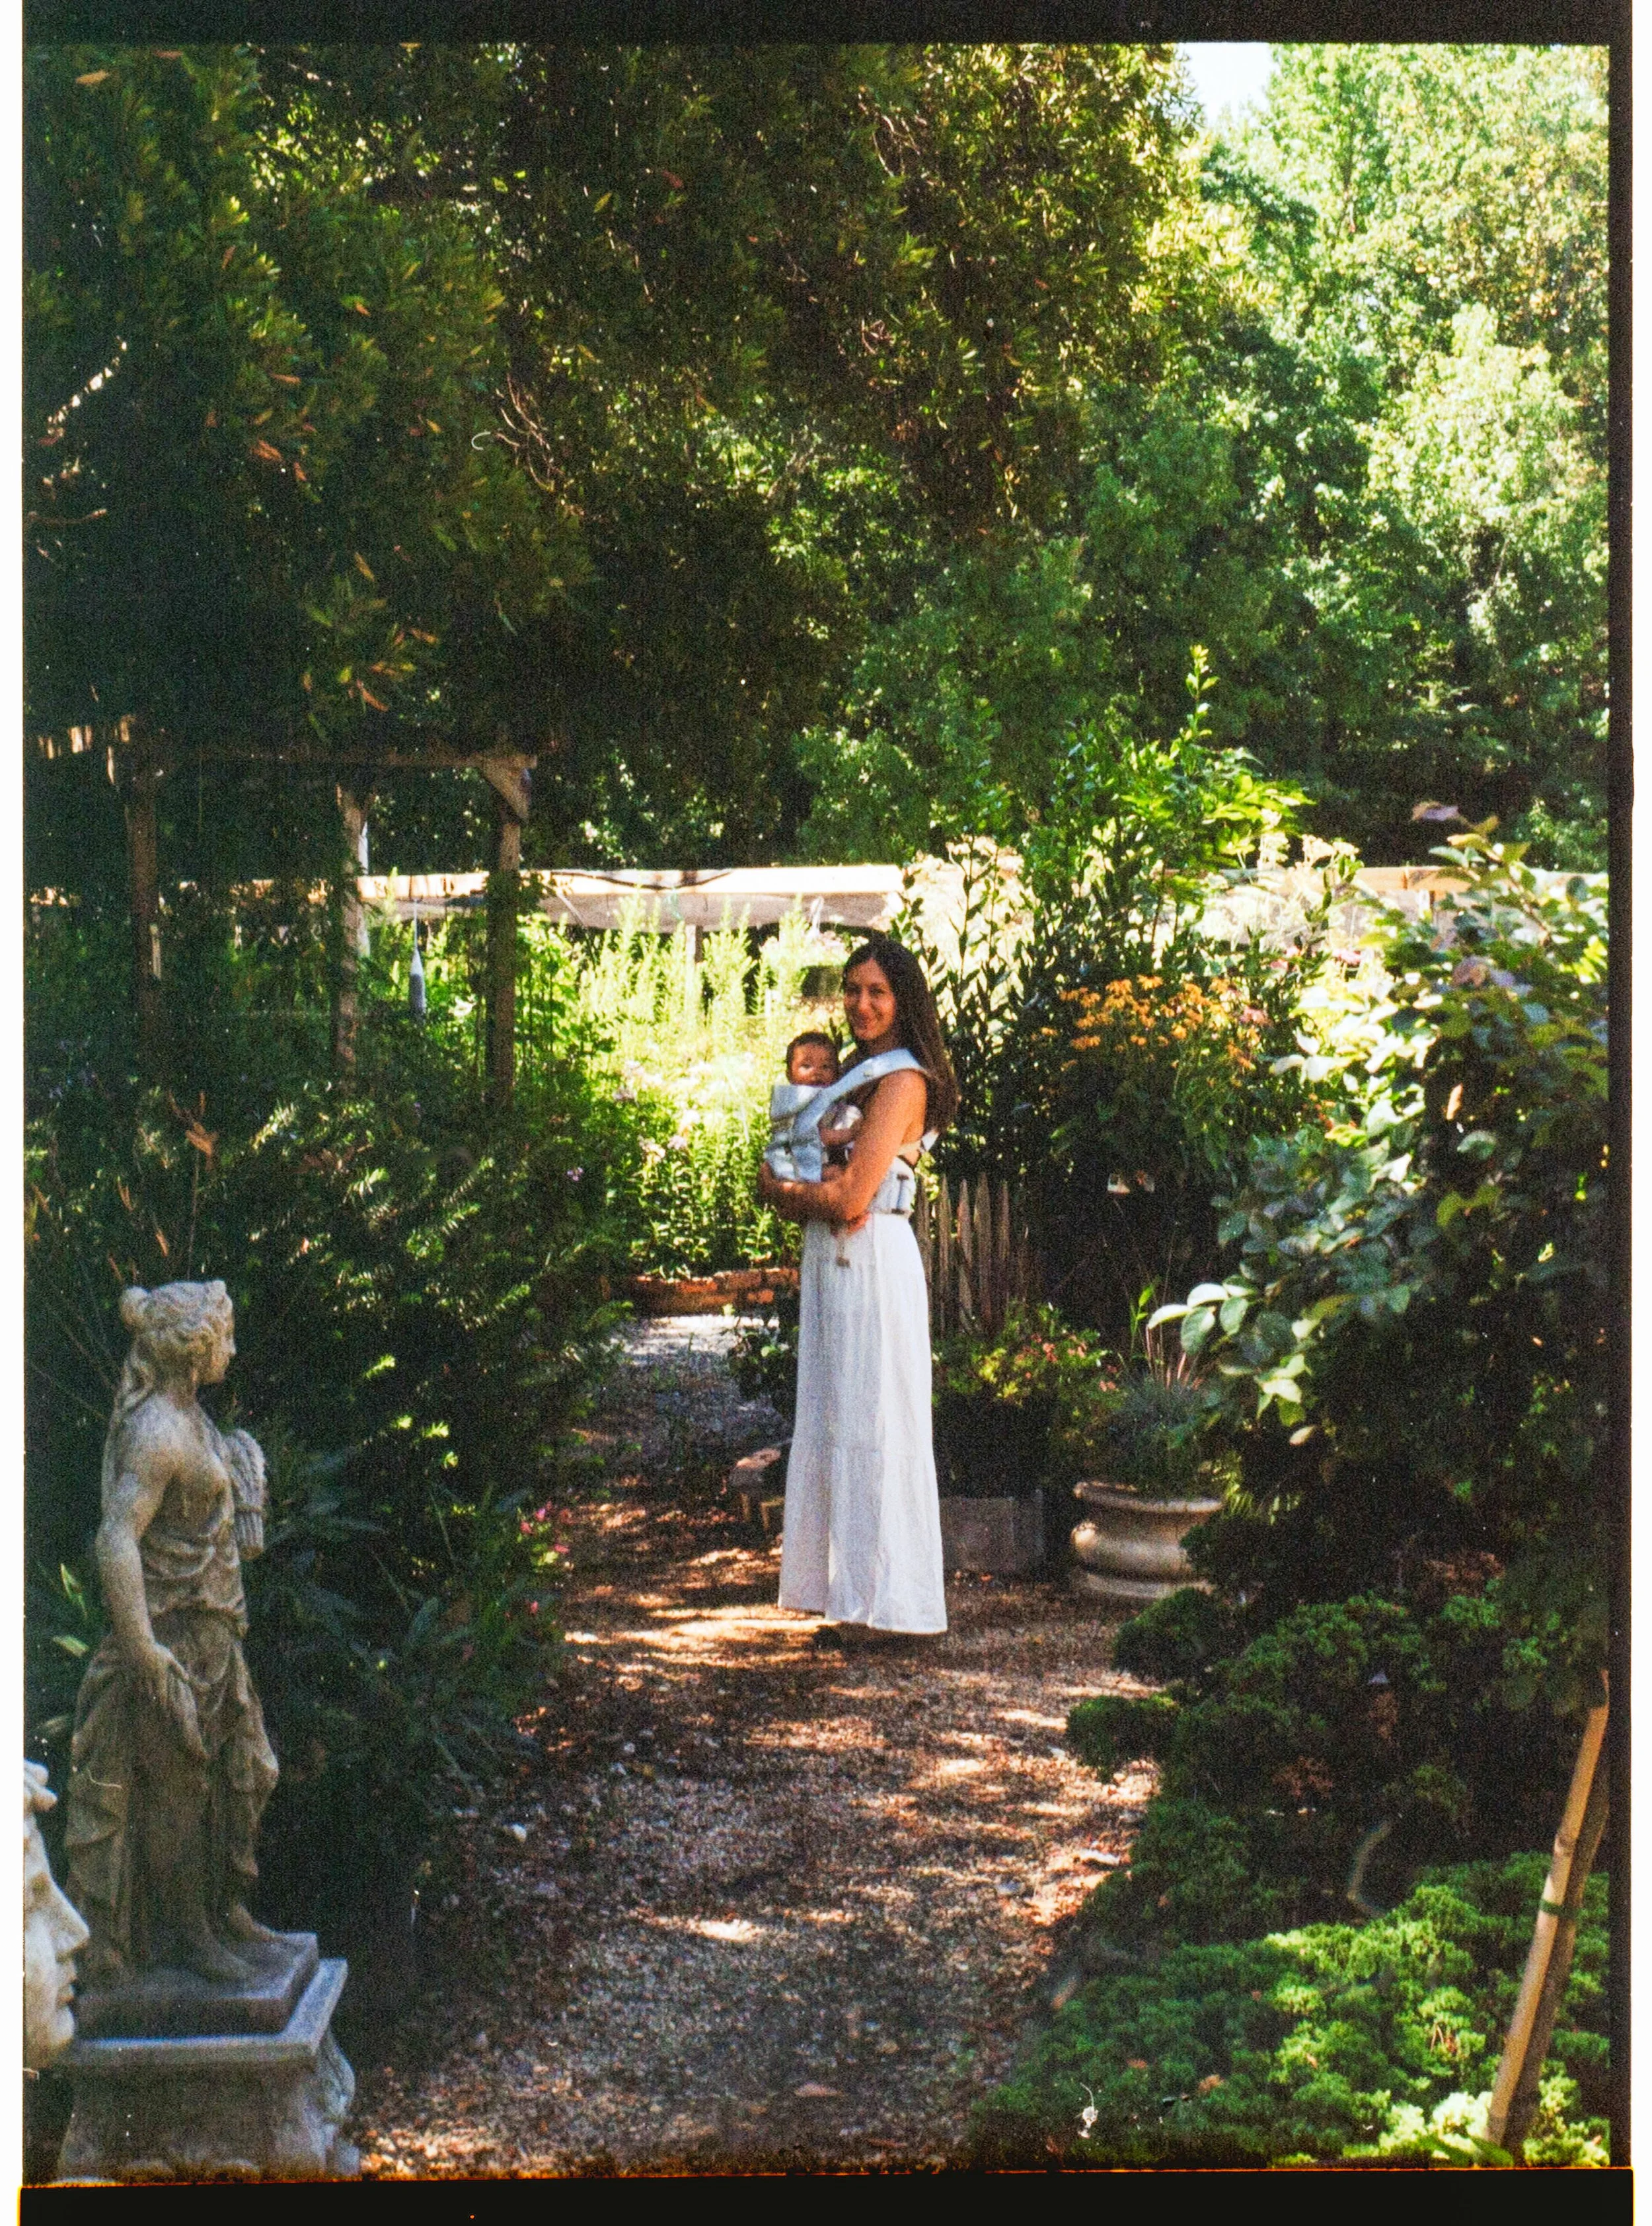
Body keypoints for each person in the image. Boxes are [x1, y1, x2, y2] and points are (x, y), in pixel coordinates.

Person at [65, 1280, 282, 1987]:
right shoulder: (158, 1432)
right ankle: (188, 1936)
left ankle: (225, 1910)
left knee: (241, 1774)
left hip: (215, 1630)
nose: (235, 1348)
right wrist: (140, 1648)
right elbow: (115, 1540)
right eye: (225, 1336)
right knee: (178, 1796)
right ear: (195, 1351)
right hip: (172, 1640)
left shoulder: (193, 1417)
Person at [757, 936, 960, 1645]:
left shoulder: (903, 1081)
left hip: (871, 1258)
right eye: (851, 990)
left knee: (877, 1422)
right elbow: (820, 1178)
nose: (861, 1004)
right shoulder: (854, 1074)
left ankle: (887, 1604)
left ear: (903, 999)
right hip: (833, 1258)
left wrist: (783, 1192)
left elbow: (848, 1198)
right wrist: (804, 1190)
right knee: (838, 1416)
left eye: (876, 991)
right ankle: (845, 1593)